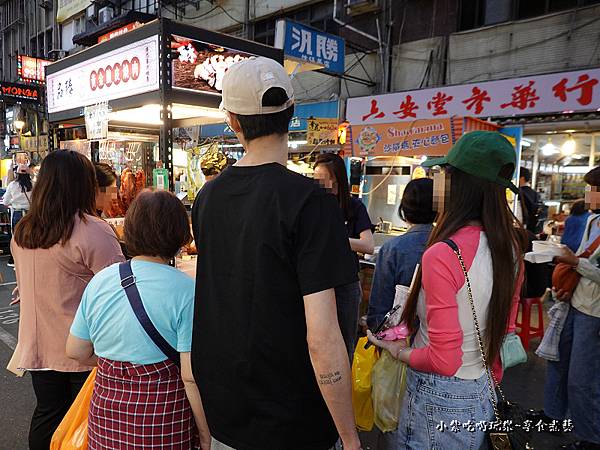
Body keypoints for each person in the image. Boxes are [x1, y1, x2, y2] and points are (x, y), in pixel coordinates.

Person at [191, 57, 361, 450]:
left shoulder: (207, 199)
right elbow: (322, 337)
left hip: (225, 412)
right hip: (292, 421)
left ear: (232, 121)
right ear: (292, 112)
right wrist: (351, 438)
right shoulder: (311, 204)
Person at [367, 131, 525, 449]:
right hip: (481, 388)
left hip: (437, 396)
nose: (437, 180)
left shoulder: (443, 253)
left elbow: (444, 360)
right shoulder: (510, 247)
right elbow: (505, 331)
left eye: (443, 173)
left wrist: (399, 351)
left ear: (458, 183)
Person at [67, 190, 211, 450]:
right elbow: (189, 377)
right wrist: (204, 433)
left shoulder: (101, 280)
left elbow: (76, 350)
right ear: (179, 233)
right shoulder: (186, 290)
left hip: (105, 417)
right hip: (162, 420)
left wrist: (121, 368)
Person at [11, 150, 125, 450]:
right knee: (84, 422)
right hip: (83, 349)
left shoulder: (23, 231)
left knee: (48, 414)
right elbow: (119, 288)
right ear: (82, 184)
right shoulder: (93, 231)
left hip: (38, 345)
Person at [540, 166, 600, 450]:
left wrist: (575, 264)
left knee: (583, 378)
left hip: (594, 312)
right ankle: (553, 415)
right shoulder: (592, 221)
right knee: (558, 361)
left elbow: (588, 266)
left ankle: (591, 437)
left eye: (594, 188)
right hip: (574, 300)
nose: (589, 193)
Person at [314, 153, 374, 360]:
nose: (318, 183)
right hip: (316, 282)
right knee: (316, 339)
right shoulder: (312, 206)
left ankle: (344, 387)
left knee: (345, 340)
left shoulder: (354, 207)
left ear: (337, 179)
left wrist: (336, 240)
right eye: (316, 177)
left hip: (346, 283)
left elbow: (368, 245)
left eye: (323, 177)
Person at [367, 178, 435, 329]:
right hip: (438, 339)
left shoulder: (392, 249)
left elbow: (379, 308)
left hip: (399, 341)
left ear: (404, 208)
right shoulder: (449, 245)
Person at [3, 163, 33, 266]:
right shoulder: (33, 184)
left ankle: (14, 260)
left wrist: (13, 201)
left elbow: (5, 201)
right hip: (30, 214)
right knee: (30, 236)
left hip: (17, 213)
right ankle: (29, 258)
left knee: (16, 237)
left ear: (17, 174)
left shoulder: (12, 185)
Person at [519, 167, 542, 233]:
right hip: (533, 228)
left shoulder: (519, 193)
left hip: (523, 227)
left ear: (522, 178)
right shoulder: (535, 193)